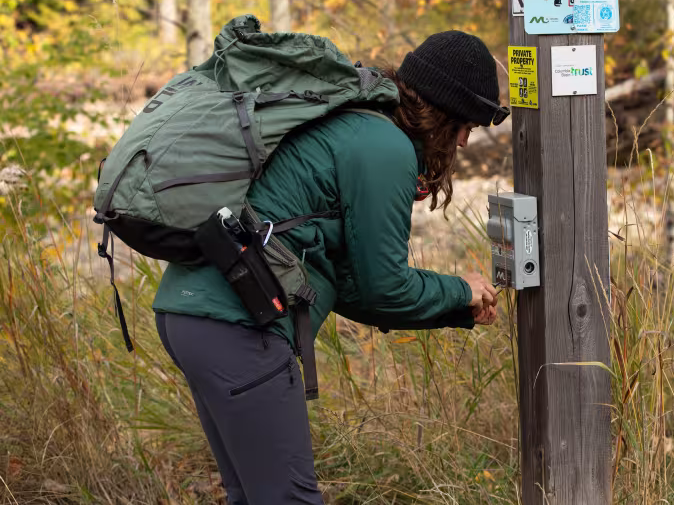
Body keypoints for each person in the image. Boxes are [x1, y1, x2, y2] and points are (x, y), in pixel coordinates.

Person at [152, 30, 506, 504]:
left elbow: (352, 288)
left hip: (190, 315)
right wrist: (459, 290)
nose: (464, 141)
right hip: (239, 328)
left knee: (253, 496)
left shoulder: (353, 124)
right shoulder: (385, 148)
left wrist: (457, 309)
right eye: (465, 124)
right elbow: (385, 287)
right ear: (441, 112)